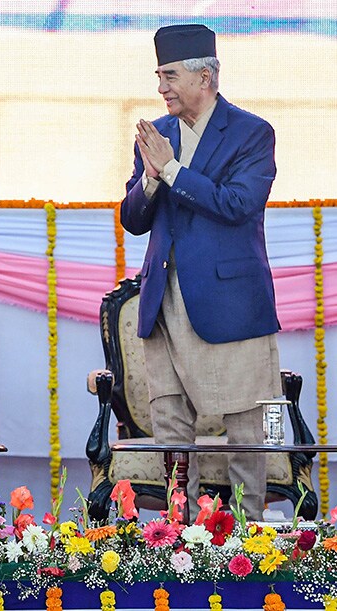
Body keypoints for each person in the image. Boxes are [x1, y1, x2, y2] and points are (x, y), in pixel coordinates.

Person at [120, 24, 282, 521]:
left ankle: (252, 540)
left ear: (204, 77)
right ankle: (178, 536)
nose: (161, 88)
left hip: (230, 303)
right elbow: (133, 219)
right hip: (164, 300)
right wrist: (149, 181)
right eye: (159, 76)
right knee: (170, 426)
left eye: (169, 76)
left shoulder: (252, 133)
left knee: (245, 429)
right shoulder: (157, 135)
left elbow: (238, 204)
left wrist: (172, 172)